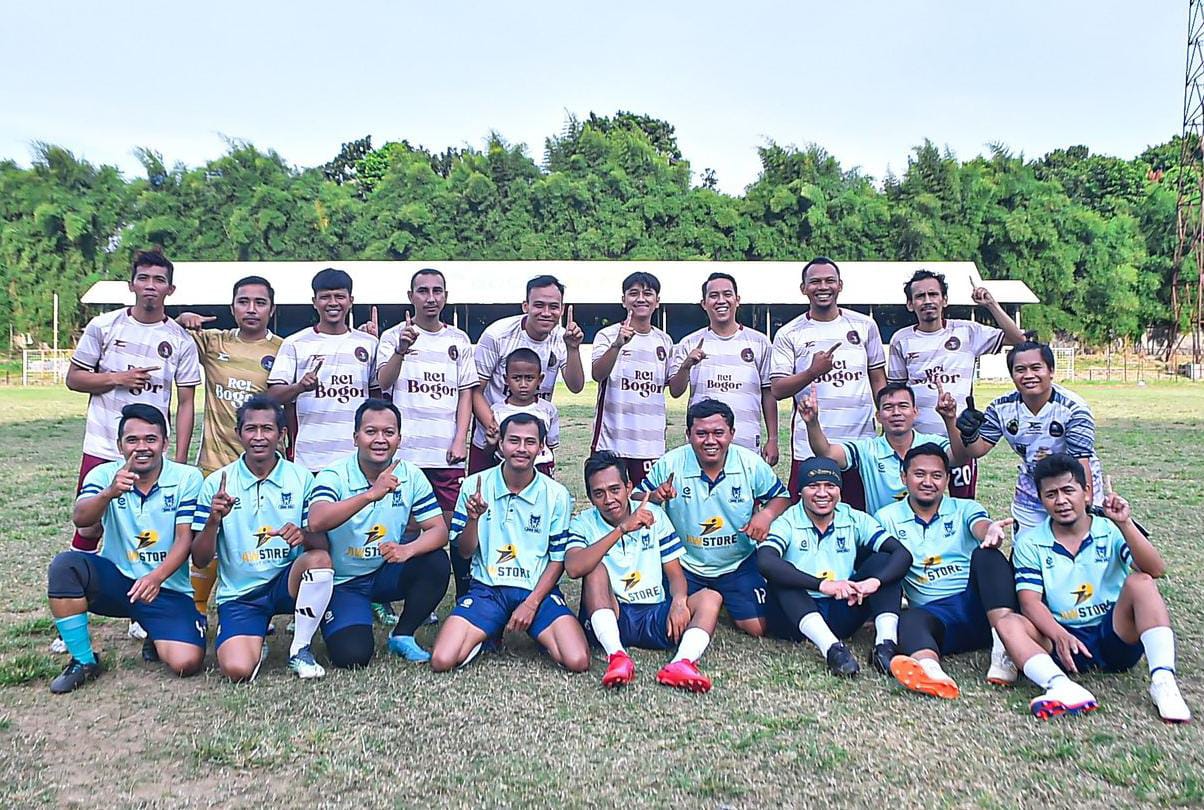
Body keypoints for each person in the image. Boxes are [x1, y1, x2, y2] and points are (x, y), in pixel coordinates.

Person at [64, 248, 200, 645]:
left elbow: (187, 401)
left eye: (159, 280)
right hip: (105, 443)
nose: (151, 287)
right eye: (144, 279)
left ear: (170, 289)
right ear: (132, 284)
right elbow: (74, 379)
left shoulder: (179, 340)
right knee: (89, 525)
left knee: (154, 532)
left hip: (152, 456)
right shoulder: (103, 327)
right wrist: (117, 378)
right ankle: (77, 608)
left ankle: (141, 609)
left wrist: (178, 459)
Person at [995, 454, 1190, 723]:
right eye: (1051, 494)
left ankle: (1163, 681)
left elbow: (1156, 569)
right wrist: (1058, 634)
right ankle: (1060, 686)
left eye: (1068, 490)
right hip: (1064, 640)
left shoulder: (1108, 529)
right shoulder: (1030, 542)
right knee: (1007, 623)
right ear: (1041, 500)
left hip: (1114, 634)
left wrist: (1124, 523)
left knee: (1141, 582)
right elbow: (1030, 602)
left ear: (1087, 493)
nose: (1061, 500)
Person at [46, 404, 206, 693]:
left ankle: (156, 633)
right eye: (132, 440)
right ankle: (83, 661)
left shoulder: (187, 477)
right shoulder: (103, 473)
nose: (141, 448)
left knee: (187, 663)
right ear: (120, 446)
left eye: (150, 439)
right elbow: (81, 518)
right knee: (65, 566)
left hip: (165, 585)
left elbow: (185, 539)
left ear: (165, 444)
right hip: (117, 581)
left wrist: (155, 578)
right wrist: (109, 493)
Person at [430, 413, 589, 673]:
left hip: (535, 590)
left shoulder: (556, 494)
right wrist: (473, 519)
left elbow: (558, 559)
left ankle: (537, 632)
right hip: (488, 589)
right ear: (501, 444)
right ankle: (487, 633)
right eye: (514, 441)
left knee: (577, 660)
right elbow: (465, 551)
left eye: (530, 442)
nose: (521, 449)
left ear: (541, 447)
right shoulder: (474, 485)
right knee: (442, 660)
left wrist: (531, 603)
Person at [191, 396, 335, 681]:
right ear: (239, 434)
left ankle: (301, 649)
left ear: (282, 434)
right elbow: (200, 558)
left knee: (318, 560)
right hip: (241, 595)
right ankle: (254, 640)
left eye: (267, 429)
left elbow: (322, 547)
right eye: (251, 429)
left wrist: (303, 536)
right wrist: (213, 521)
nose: (259, 437)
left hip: (287, 583)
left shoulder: (302, 478)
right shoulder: (217, 483)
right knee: (237, 671)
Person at [307, 399, 450, 667]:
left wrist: (407, 549)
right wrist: (371, 494)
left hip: (386, 571)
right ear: (355, 437)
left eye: (389, 432)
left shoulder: (411, 475)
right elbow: (316, 521)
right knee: (352, 656)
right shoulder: (334, 474)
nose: (380, 440)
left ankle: (403, 634)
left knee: (436, 561)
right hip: (344, 581)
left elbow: (439, 530)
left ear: (399, 438)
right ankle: (336, 615)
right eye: (371, 432)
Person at [565, 452, 722, 692]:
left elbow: (675, 573)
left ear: (628, 487)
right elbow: (574, 568)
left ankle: (682, 662)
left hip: (654, 612)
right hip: (613, 614)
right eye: (599, 493)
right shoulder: (583, 523)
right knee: (594, 569)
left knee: (711, 598)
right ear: (590, 497)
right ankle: (616, 656)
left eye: (615, 489)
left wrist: (679, 601)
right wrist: (622, 530)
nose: (609, 499)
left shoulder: (655, 515)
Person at [874, 444, 1020, 699]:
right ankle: (932, 673)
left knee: (987, 556)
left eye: (937, 475)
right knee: (908, 620)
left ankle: (1004, 649)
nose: (928, 482)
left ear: (947, 479)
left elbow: (981, 526)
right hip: (936, 617)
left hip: (980, 608)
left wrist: (991, 532)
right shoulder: (886, 518)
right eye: (919, 474)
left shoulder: (965, 508)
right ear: (903, 477)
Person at [364, 268, 476, 599]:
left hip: (445, 452)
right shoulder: (392, 337)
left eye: (437, 291)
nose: (430, 298)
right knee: (406, 526)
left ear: (445, 296)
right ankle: (395, 594)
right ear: (410, 296)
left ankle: (462, 593)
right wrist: (400, 350)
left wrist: (460, 438)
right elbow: (383, 383)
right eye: (423, 291)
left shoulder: (458, 339)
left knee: (449, 526)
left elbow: (466, 393)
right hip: (407, 453)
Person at [636, 399, 791, 637]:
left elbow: (781, 497)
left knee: (756, 627)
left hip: (738, 561)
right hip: (686, 564)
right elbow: (636, 497)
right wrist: (656, 496)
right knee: (672, 621)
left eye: (718, 432)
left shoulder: (749, 463)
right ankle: (709, 600)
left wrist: (766, 515)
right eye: (701, 433)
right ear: (688, 434)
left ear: (732, 433)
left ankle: (727, 597)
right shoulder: (671, 463)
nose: (710, 441)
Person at [176, 275, 283, 615]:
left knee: (257, 541)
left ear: (272, 308)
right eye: (244, 301)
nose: (251, 309)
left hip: (261, 469)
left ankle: (256, 607)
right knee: (204, 538)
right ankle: (194, 609)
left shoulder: (284, 349)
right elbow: (165, 336)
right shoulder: (212, 342)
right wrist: (182, 322)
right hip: (214, 463)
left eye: (260, 302)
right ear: (232, 306)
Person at [758, 457, 912, 677]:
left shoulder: (853, 517)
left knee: (884, 562)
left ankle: (885, 646)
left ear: (840, 490)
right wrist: (822, 585)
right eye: (813, 486)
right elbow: (765, 561)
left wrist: (873, 582)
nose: (822, 493)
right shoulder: (787, 521)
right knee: (780, 577)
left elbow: (902, 555)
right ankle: (833, 650)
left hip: (842, 607)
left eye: (830, 486)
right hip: (796, 617)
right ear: (800, 491)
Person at [886, 269, 1024, 498]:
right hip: (917, 441)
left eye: (933, 294)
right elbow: (896, 392)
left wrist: (990, 304)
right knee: (918, 502)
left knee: (962, 504)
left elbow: (1018, 340)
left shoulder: (967, 331)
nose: (928, 301)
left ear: (945, 300)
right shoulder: (901, 339)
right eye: (920, 296)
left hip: (960, 439)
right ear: (910, 304)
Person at [770, 257, 885, 509]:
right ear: (803, 288)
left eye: (829, 281)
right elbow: (777, 389)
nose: (823, 287)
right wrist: (813, 371)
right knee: (810, 518)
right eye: (815, 282)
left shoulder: (865, 326)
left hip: (860, 447)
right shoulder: (789, 333)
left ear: (840, 285)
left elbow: (878, 380)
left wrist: (887, 420)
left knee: (861, 519)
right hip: (809, 448)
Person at [956, 341, 1104, 532]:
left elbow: (1081, 461)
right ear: (1012, 375)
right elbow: (978, 449)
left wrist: (1085, 499)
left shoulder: (1074, 409)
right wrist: (968, 433)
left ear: (1051, 371)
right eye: (1020, 370)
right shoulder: (1000, 408)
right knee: (1027, 549)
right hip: (1032, 486)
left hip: (1072, 483)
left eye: (1036, 368)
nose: (1028, 376)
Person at [267, 267, 379, 473]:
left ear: (351, 300)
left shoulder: (369, 344)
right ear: (314, 301)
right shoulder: (295, 343)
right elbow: (273, 396)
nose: (333, 303)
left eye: (340, 296)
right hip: (310, 459)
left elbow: (378, 399)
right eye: (325, 297)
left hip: (358, 460)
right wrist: (299, 387)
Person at [470, 275, 584, 473]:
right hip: (491, 440)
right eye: (539, 305)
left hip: (532, 445)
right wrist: (497, 431)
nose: (546, 313)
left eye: (553, 306)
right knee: (483, 500)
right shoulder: (497, 335)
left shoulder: (561, 338)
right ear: (525, 306)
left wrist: (573, 349)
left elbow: (576, 386)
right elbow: (475, 390)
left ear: (562, 309)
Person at [798, 382, 966, 515]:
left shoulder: (933, 446)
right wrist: (812, 423)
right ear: (878, 416)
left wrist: (950, 420)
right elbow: (826, 453)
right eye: (888, 407)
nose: (896, 412)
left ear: (915, 412)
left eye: (903, 406)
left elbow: (959, 457)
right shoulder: (867, 449)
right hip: (884, 535)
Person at [668, 272, 777, 464]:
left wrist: (773, 439)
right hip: (703, 444)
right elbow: (676, 391)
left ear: (737, 300)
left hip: (746, 442)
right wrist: (686, 366)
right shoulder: (689, 343)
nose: (721, 301)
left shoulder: (759, 342)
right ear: (704, 303)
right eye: (713, 296)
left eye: (727, 294)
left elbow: (768, 392)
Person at [590, 271, 674, 487]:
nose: (641, 298)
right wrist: (617, 345)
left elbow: (672, 388)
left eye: (648, 293)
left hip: (651, 445)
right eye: (633, 293)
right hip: (612, 442)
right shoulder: (608, 335)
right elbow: (597, 374)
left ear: (657, 301)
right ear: (623, 300)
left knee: (648, 506)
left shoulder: (664, 341)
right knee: (611, 506)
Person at [471, 348, 559, 476]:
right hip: (507, 471)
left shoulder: (548, 410)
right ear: (506, 379)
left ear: (540, 379)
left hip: (540, 470)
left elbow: (549, 446)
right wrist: (490, 444)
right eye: (517, 378)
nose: (523, 384)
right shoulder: (496, 412)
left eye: (529, 378)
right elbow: (490, 451)